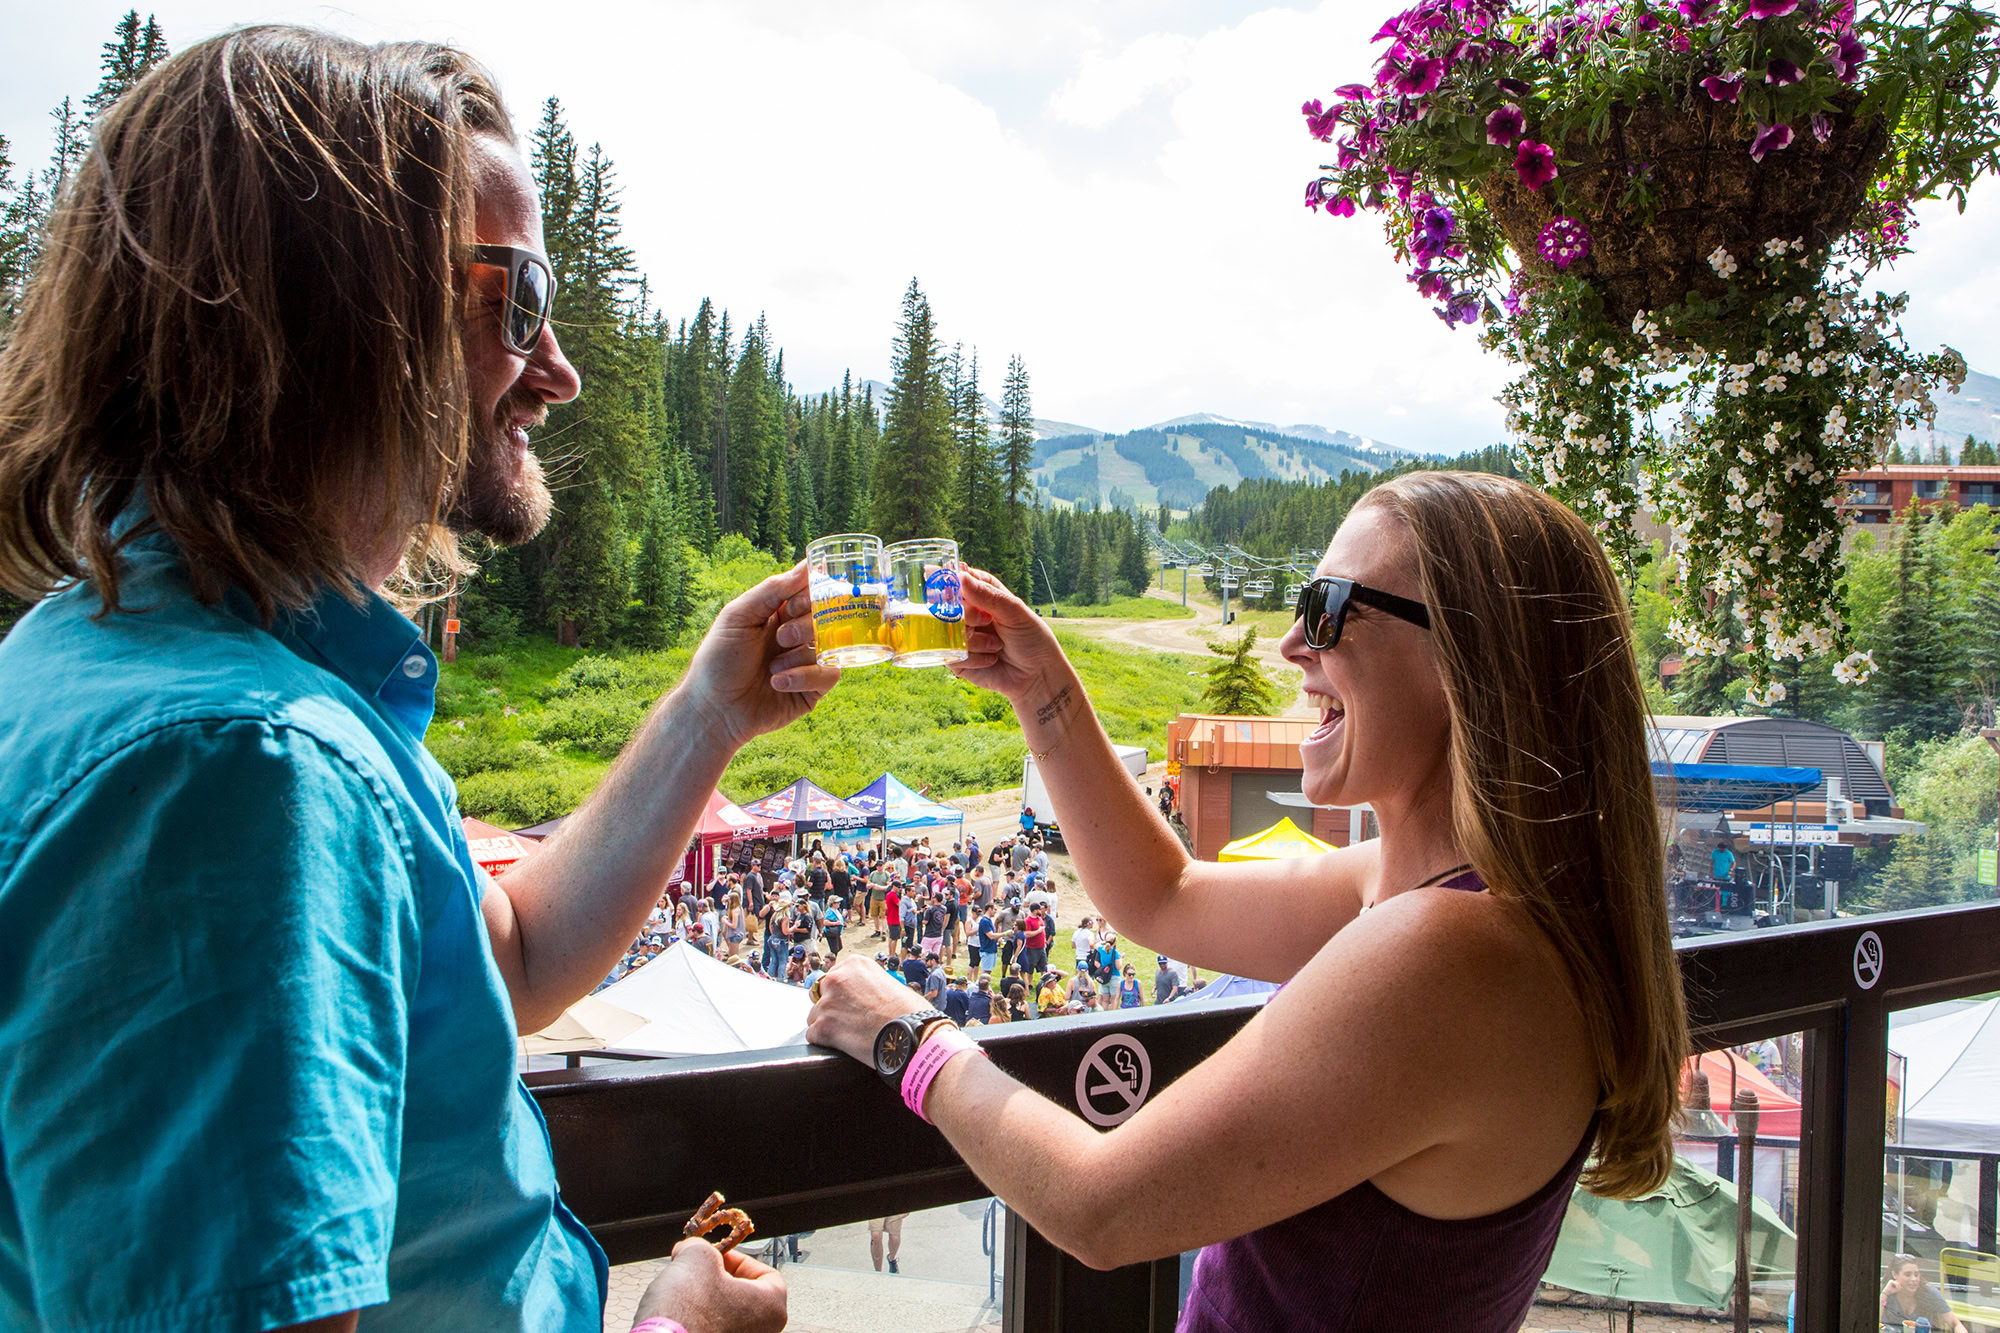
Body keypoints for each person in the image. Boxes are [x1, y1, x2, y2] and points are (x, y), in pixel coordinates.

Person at [0, 27, 800, 1333]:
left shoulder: (107, 656)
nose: (560, 371)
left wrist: (713, 706)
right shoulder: (233, 770)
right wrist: (682, 1326)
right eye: (517, 300)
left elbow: (507, 959)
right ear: (328, 317)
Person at [809, 471, 1688, 1329]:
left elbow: (1099, 1208)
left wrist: (910, 1038)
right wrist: (1044, 691)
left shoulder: (1454, 952)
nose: (1291, 645)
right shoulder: (1449, 904)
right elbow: (1164, 894)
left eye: (1330, 609)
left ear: (1467, 662)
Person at [1880, 1254, 1968, 1332]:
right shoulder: (1886, 1292)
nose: (1914, 1279)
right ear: (1894, 1275)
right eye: (1908, 1274)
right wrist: (1885, 1294)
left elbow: (1956, 1324)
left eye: (1916, 1274)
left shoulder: (1929, 1292)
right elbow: (1871, 1322)